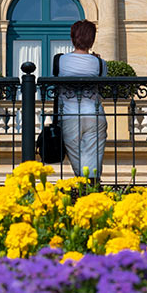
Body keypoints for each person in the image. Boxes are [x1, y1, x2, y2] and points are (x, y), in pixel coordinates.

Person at [57, 19, 107, 181]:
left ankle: (85, 187)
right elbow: (103, 85)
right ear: (92, 40)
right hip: (94, 113)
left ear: (73, 38)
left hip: (69, 115)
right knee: (93, 159)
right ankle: (92, 187)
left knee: (77, 160)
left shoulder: (59, 60)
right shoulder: (100, 63)